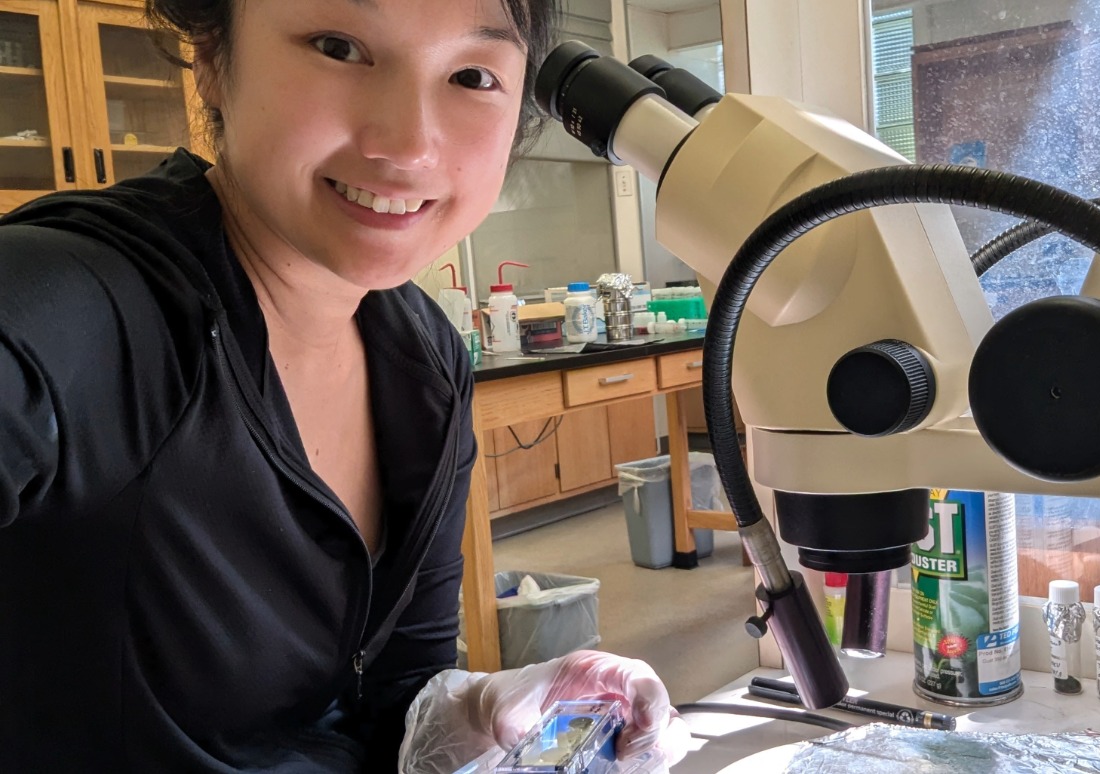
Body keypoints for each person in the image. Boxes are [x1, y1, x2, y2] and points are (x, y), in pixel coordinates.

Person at [0, 0, 689, 770]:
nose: (408, 145)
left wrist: (474, 711)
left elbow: (397, 693)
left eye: (471, 74)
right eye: (338, 47)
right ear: (211, 58)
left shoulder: (423, 356)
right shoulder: (86, 303)